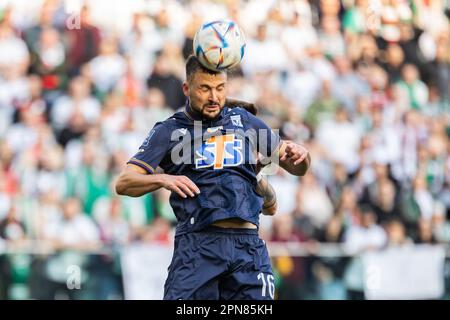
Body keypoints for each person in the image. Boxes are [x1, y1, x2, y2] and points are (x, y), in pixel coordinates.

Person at [115, 55, 310, 300]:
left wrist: (301, 157)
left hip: (247, 247)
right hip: (198, 246)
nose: (214, 97)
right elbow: (124, 182)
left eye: (220, 89)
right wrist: (163, 179)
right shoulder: (170, 129)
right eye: (205, 88)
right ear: (187, 88)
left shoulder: (244, 120)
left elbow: (279, 194)